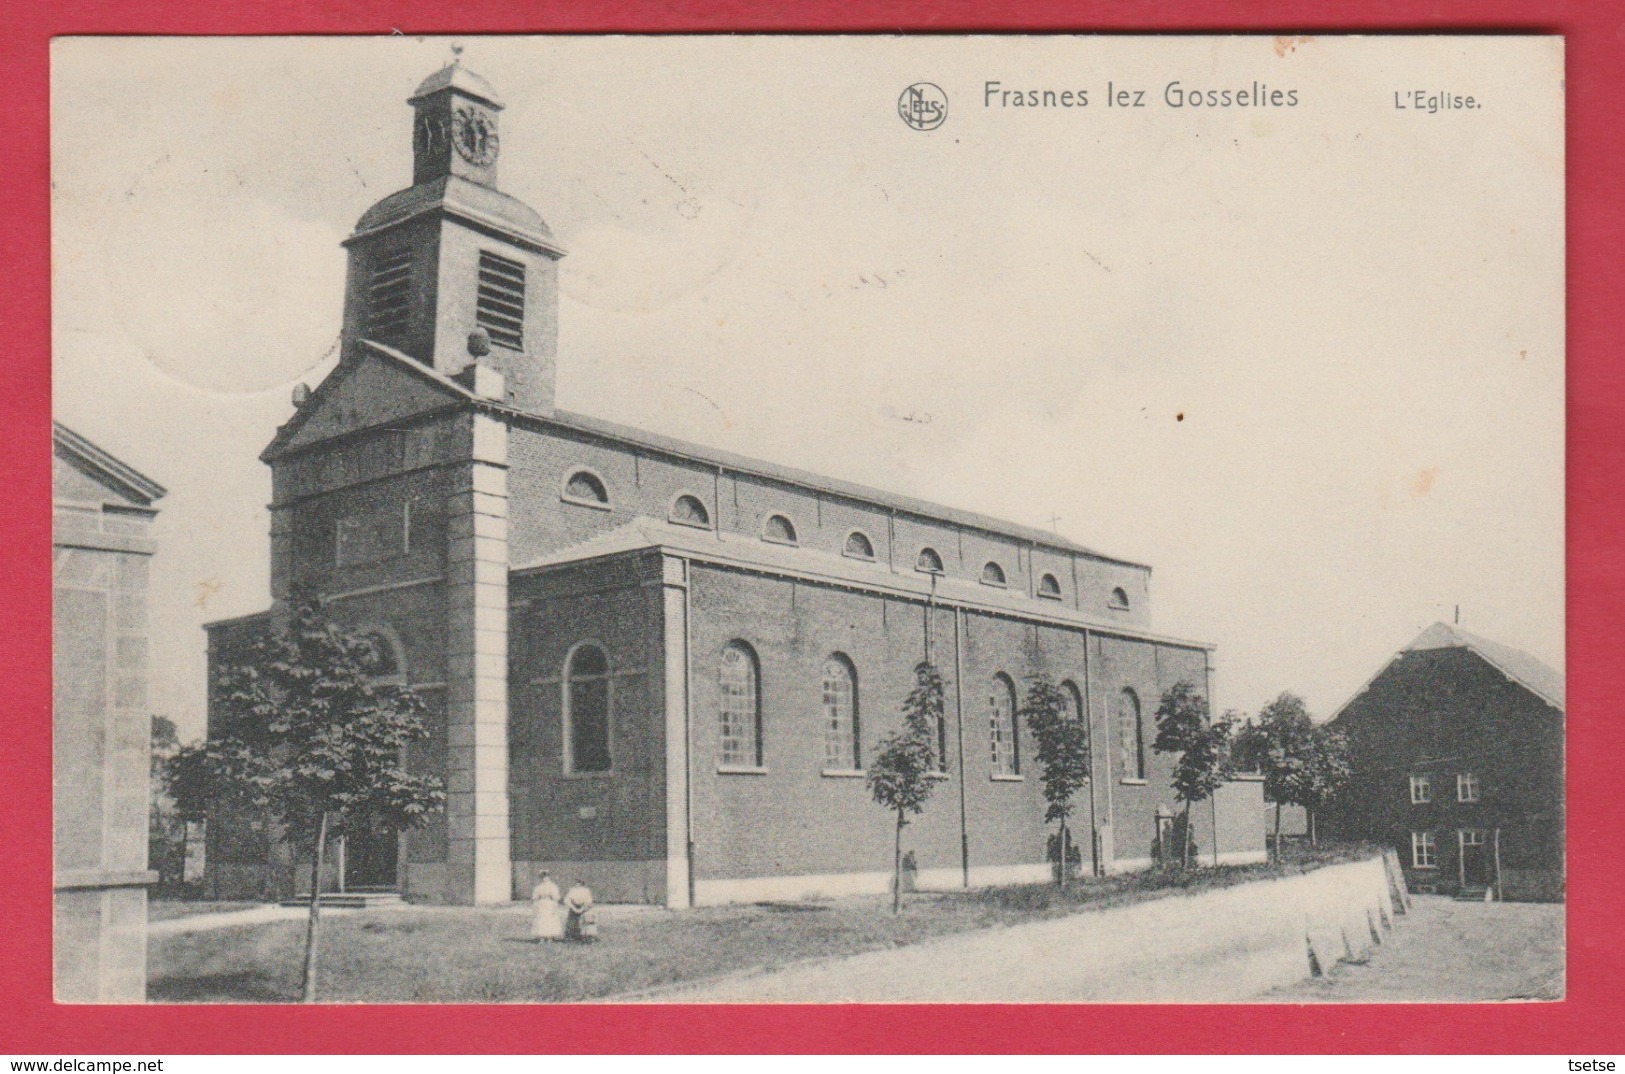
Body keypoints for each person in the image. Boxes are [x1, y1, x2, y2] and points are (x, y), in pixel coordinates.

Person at [530, 870, 563, 942]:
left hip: (549, 904)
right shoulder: (538, 887)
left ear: (549, 877)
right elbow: (535, 897)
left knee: (549, 919)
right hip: (541, 904)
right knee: (541, 919)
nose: (544, 879)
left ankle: (549, 937)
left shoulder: (553, 886)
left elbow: (556, 897)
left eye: (546, 877)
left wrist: (554, 904)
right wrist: (536, 903)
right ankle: (541, 937)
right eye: (542, 877)